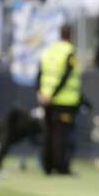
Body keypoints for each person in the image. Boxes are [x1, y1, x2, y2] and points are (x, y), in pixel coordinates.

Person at [37, 24, 82, 175]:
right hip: (64, 101)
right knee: (62, 135)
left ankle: (47, 166)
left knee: (48, 133)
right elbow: (66, 76)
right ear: (72, 35)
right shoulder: (70, 52)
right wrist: (54, 94)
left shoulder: (49, 50)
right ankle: (61, 167)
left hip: (46, 99)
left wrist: (41, 92)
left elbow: (40, 72)